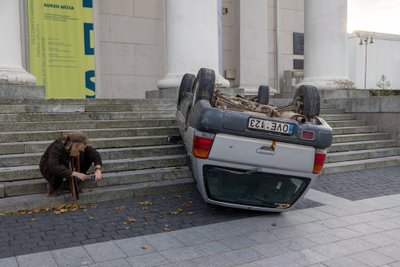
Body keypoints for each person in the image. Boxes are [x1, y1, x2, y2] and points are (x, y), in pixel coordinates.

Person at [39, 131, 103, 196]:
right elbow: (54, 166)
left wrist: (98, 170)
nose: (83, 150)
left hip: (68, 164)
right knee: (56, 169)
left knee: (89, 156)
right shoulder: (57, 146)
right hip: (49, 167)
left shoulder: (82, 144)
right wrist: (75, 173)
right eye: (81, 148)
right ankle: (53, 185)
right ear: (75, 145)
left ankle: (68, 184)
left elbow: (95, 154)